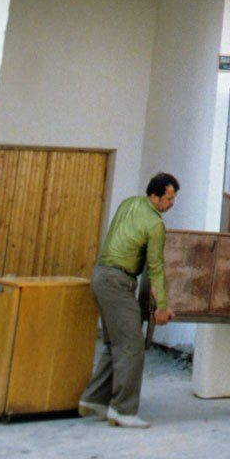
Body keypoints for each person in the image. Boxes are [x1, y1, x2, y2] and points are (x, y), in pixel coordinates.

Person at [78, 173, 179, 428]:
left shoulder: (128, 203)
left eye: (174, 197)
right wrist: (163, 307)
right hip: (118, 283)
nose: (172, 203)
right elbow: (155, 268)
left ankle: (95, 400)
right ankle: (123, 410)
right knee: (132, 346)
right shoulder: (155, 225)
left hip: (100, 276)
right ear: (154, 197)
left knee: (115, 344)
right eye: (168, 198)